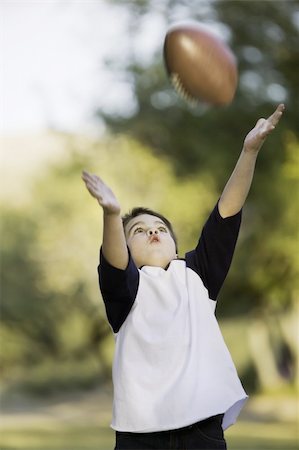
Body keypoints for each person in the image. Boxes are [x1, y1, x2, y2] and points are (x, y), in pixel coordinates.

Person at [82, 104, 285, 450]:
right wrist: (113, 215)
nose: (153, 233)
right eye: (139, 231)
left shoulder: (195, 276)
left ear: (175, 245)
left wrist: (249, 151)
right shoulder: (128, 290)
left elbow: (227, 212)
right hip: (140, 435)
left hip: (201, 431)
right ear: (127, 249)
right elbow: (114, 264)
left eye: (160, 228)